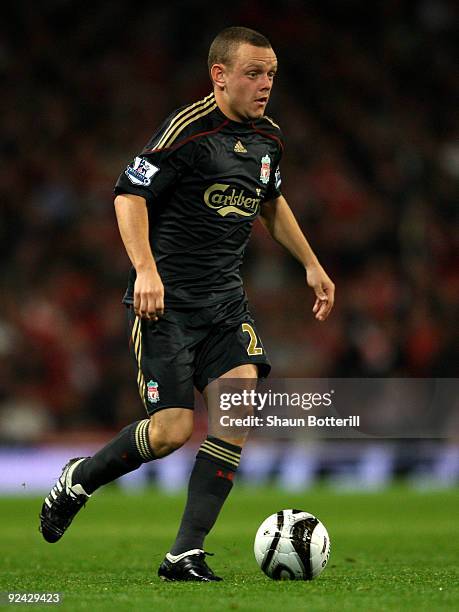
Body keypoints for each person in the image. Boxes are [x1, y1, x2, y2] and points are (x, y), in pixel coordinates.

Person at [39, 26, 335, 582]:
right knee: (173, 430)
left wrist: (311, 264)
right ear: (219, 76)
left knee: (237, 408)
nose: (266, 84)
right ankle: (80, 477)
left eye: (271, 73)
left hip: (225, 304)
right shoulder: (188, 131)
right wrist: (146, 271)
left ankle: (184, 553)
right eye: (254, 73)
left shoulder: (269, 139)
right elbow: (129, 194)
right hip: (167, 306)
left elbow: (271, 202)